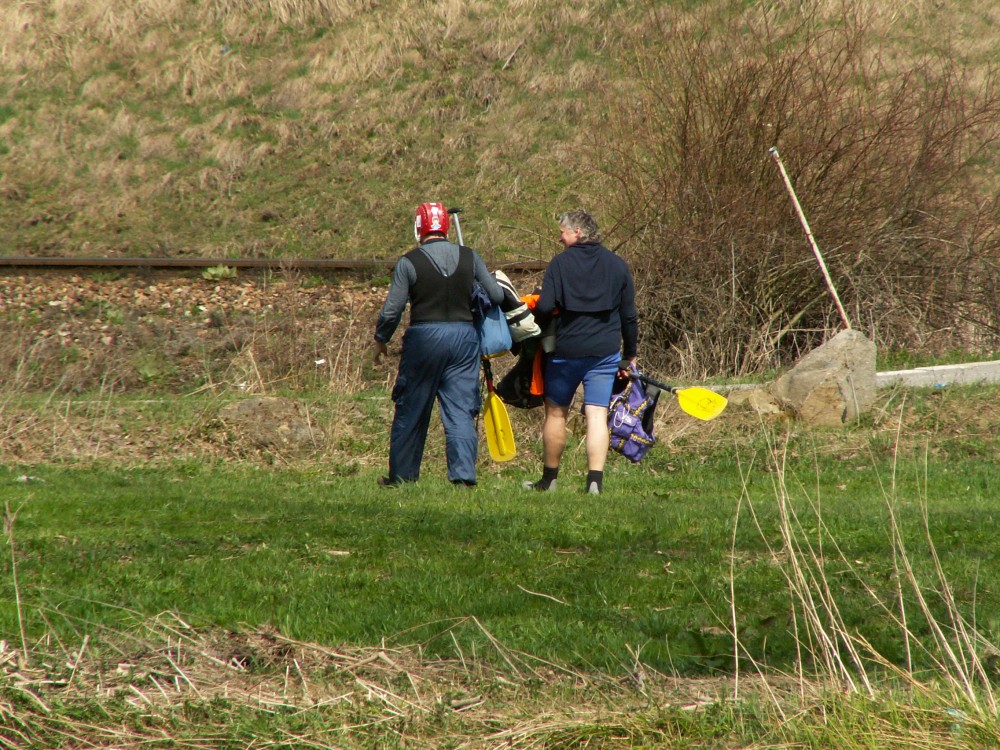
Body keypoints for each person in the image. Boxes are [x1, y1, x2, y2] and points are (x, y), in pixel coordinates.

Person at [373, 202, 505, 487]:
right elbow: (496, 295)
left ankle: (402, 477)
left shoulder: (408, 262)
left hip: (424, 339)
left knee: (412, 407)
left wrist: (381, 338)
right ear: (446, 227)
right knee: (460, 410)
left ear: (419, 228)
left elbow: (392, 311)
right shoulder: (470, 257)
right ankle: (463, 477)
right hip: (464, 339)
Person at [524, 209, 638, 495]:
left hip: (567, 351)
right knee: (597, 414)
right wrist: (630, 354)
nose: (559, 238)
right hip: (604, 352)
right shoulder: (617, 265)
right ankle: (594, 484)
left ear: (577, 231)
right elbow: (629, 316)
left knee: (556, 413)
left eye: (562, 232)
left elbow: (545, 306)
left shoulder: (560, 264)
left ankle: (549, 481)